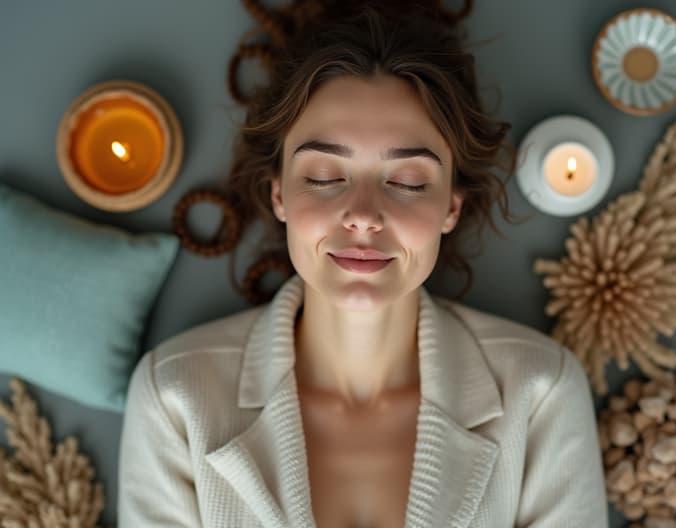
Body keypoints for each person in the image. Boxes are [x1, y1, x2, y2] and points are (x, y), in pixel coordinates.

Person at [117, 1, 609, 527]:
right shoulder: (175, 397)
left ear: (450, 206)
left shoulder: (540, 393)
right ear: (279, 194)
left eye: (408, 181)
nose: (364, 215)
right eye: (326, 176)